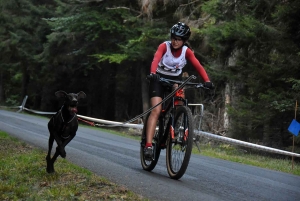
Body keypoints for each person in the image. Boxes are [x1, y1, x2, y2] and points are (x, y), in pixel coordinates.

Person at [144, 22, 213, 160]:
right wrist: (152, 73)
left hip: (175, 80)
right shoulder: (164, 46)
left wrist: (207, 81)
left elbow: (198, 66)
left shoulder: (186, 51)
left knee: (180, 103)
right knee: (156, 111)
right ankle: (148, 146)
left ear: (184, 41)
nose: (176, 41)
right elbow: (156, 59)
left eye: (179, 39)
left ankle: (172, 130)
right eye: (174, 38)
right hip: (158, 79)